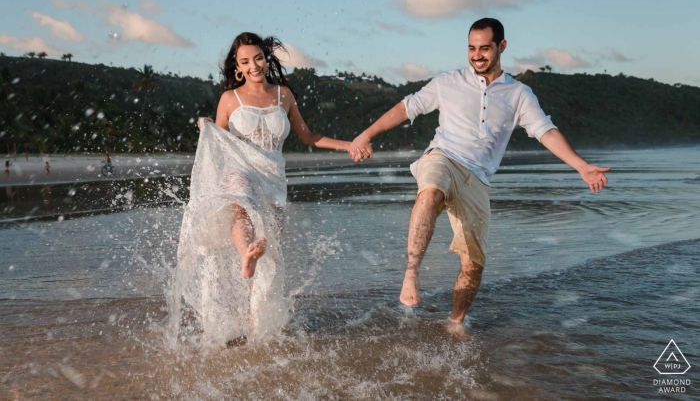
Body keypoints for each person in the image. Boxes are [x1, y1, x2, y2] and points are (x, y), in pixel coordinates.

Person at [348, 18, 610, 328]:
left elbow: (545, 131)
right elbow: (407, 107)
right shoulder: (448, 82)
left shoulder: (519, 94)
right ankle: (411, 272)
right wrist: (366, 134)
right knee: (430, 190)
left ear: (501, 46)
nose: (477, 55)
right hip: (444, 156)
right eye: (471, 48)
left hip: (479, 178)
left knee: (472, 266)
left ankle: (456, 322)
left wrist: (581, 165)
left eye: (485, 48)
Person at [171, 32, 360, 346]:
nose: (253, 65)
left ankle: (256, 327)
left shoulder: (283, 95)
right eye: (245, 61)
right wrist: (204, 126)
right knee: (240, 207)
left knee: (270, 253)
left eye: (258, 58)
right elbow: (218, 142)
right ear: (238, 67)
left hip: (272, 179)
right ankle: (247, 253)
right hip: (238, 169)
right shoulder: (230, 99)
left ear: (266, 59)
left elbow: (309, 137)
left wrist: (349, 145)